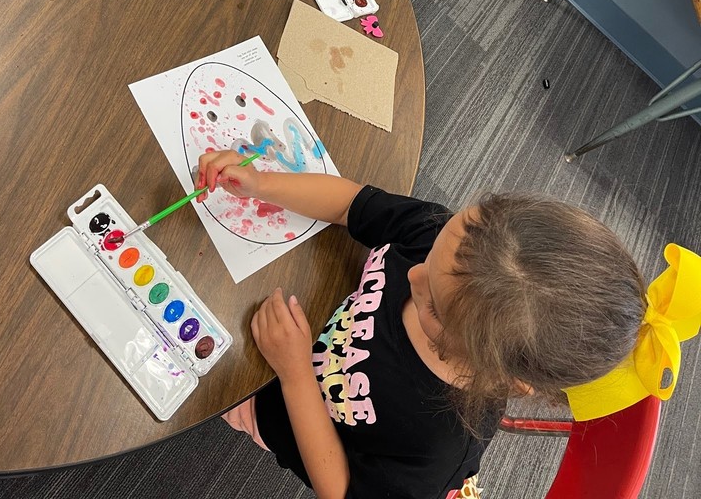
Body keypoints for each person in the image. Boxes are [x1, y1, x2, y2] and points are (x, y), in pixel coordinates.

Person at [195, 150, 701, 499]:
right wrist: (263, 183)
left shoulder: (438, 446)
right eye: (432, 255)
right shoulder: (449, 245)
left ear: (506, 379)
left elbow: (342, 490)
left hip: (280, 410)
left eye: (434, 308)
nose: (412, 272)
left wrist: (294, 376)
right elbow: (353, 204)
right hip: (297, 334)